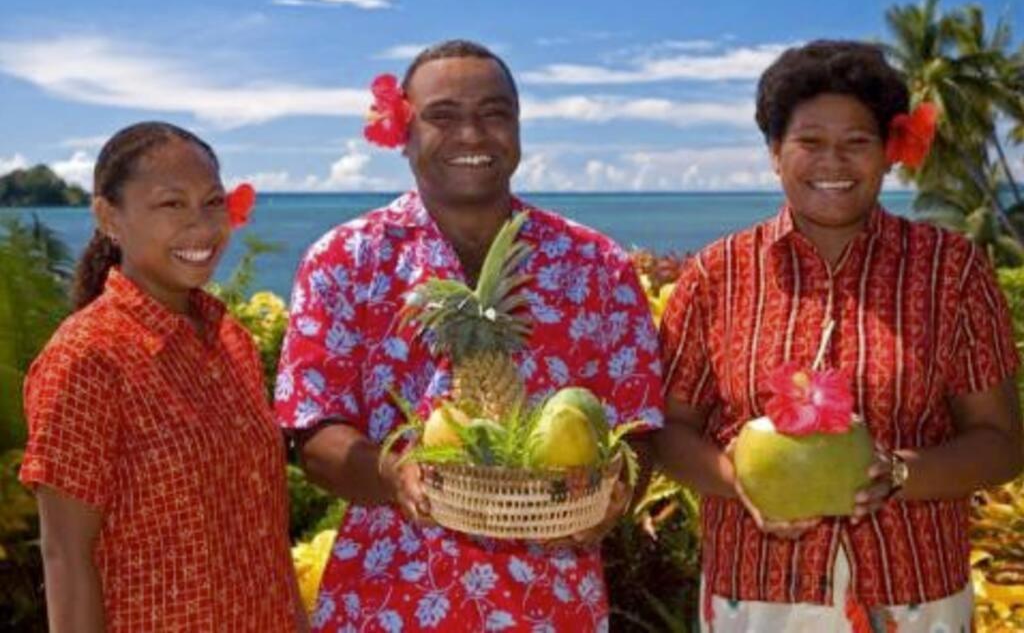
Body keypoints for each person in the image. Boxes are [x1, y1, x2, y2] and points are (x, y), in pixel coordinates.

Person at [274, 40, 664, 631]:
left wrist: (616, 497)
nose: (473, 134)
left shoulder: (595, 264)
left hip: (553, 607)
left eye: (493, 113)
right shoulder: (343, 260)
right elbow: (313, 431)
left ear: (518, 128)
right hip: (385, 603)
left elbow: (640, 423)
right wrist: (391, 471)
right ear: (402, 133)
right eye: (443, 115)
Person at [656, 40, 1024, 632]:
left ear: (890, 153)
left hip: (915, 592)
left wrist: (901, 474)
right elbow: (667, 432)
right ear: (776, 152)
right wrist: (744, 483)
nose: (834, 162)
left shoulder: (950, 270)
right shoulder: (715, 275)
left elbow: (1002, 441)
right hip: (755, 594)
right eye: (809, 142)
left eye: (857, 142)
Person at [19, 122, 304, 632]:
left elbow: (264, 540)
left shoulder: (230, 341)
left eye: (213, 202)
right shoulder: (87, 357)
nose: (201, 226)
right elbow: (65, 556)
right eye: (172, 204)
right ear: (109, 217)